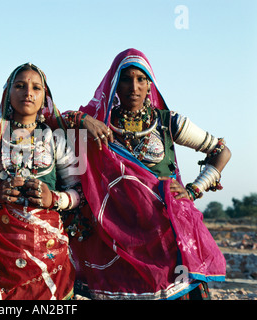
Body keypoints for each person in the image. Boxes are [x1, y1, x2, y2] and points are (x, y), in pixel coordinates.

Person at [70, 48, 231, 299]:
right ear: (114, 83)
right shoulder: (99, 123)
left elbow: (221, 151)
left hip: (167, 233)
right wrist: (82, 119)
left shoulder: (168, 122)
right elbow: (54, 121)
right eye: (126, 78)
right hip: (119, 237)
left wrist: (193, 190)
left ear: (150, 85)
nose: (133, 87)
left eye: (141, 79)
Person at [0, 63, 85, 300]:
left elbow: (79, 193)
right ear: (8, 92)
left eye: (36, 88)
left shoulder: (58, 139)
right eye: (20, 86)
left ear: (45, 97)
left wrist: (52, 198)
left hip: (47, 247)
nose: (28, 93)